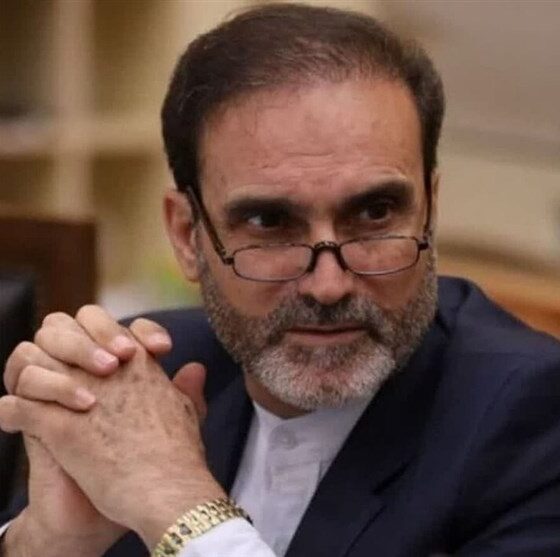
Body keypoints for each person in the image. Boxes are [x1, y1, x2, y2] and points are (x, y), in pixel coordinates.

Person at [1, 3, 560, 556]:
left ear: (429, 211)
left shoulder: (532, 414)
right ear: (187, 235)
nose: (328, 286)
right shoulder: (153, 375)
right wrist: (48, 542)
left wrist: (175, 499)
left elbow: (170, 500)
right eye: (269, 223)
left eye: (374, 214)